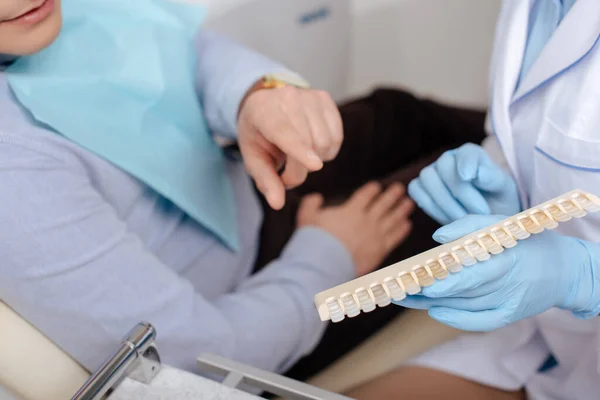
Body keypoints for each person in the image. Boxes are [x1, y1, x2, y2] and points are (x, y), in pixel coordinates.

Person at [0, 0, 478, 381]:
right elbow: (196, 360)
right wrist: (328, 258)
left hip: (239, 196)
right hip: (262, 307)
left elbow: (171, 43)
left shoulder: (34, 19)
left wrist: (256, 95)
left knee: (397, 112)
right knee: (469, 183)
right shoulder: (14, 178)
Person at [344, 0, 600, 399]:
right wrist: (500, 187)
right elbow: (530, 135)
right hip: (545, 341)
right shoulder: (533, 9)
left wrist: (584, 275)